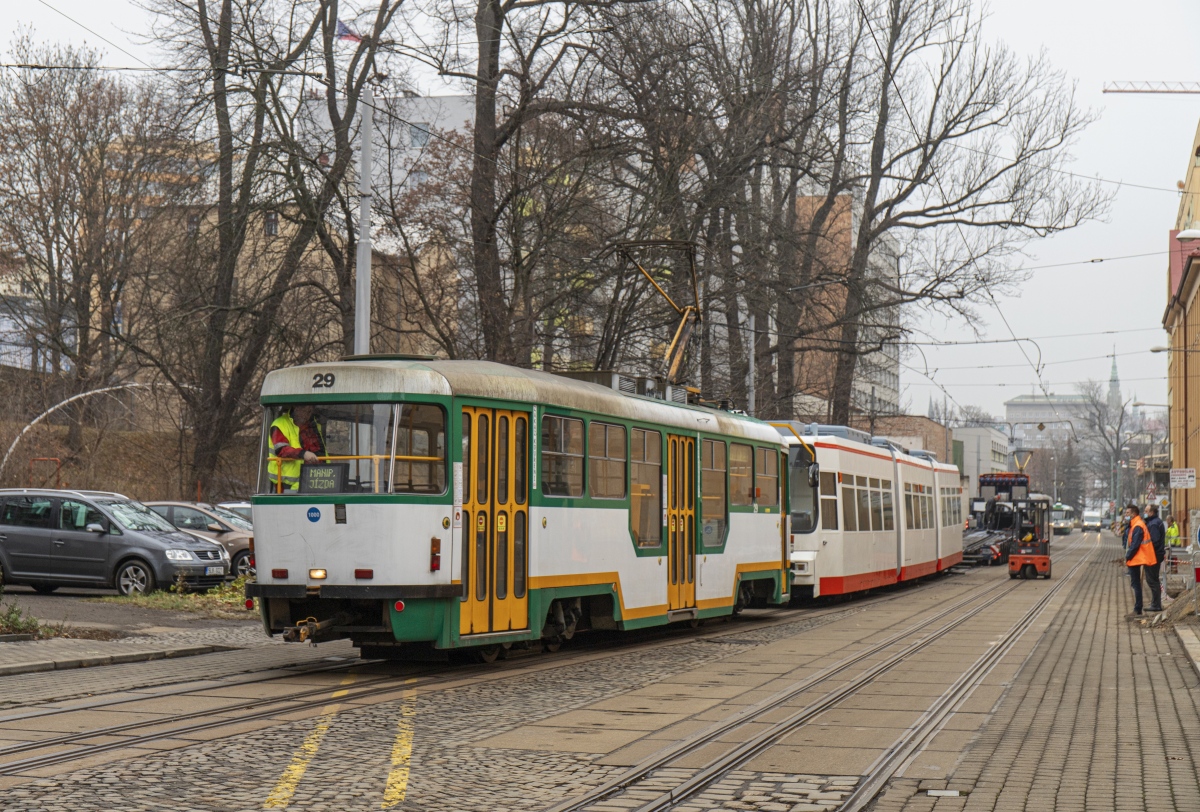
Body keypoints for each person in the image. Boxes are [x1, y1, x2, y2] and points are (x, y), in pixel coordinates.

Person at [268, 404, 326, 491]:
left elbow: (319, 450)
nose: (307, 415)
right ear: (296, 408)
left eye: (309, 412)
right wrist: (303, 454)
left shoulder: (314, 426)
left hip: (316, 480)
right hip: (286, 485)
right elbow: (281, 450)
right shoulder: (279, 424)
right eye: (304, 411)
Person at [1124, 503, 1156, 619]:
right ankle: (1137, 608)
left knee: (1136, 584)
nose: (1125, 515)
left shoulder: (1137, 525)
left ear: (1133, 514)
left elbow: (1135, 544)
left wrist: (1128, 556)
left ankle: (1138, 609)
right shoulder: (1135, 524)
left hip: (1137, 559)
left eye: (1127, 513)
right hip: (1137, 558)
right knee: (1136, 584)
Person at [1144, 504, 1166, 613]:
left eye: (1146, 511)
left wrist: (1146, 549)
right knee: (1153, 579)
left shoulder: (1153, 524)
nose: (1145, 512)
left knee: (1152, 579)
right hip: (1156, 554)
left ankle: (1156, 604)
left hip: (1154, 555)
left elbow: (1154, 541)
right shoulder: (1156, 522)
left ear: (1151, 512)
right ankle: (1155, 602)